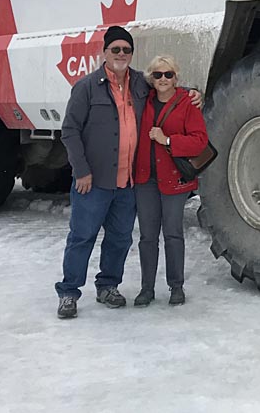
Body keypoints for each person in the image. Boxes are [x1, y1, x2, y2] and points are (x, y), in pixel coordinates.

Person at [54, 26, 201, 319]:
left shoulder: (140, 83)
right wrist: (81, 171)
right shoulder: (86, 87)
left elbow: (166, 87)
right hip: (93, 180)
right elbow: (69, 131)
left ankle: (108, 286)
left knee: (120, 238)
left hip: (128, 182)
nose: (121, 54)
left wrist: (193, 93)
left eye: (126, 50)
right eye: (115, 49)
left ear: (132, 54)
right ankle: (69, 292)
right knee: (82, 236)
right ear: (105, 52)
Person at [132, 54, 208, 307]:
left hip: (174, 180)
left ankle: (176, 286)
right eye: (157, 74)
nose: (163, 79)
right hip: (145, 179)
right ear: (151, 79)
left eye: (168, 74)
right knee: (147, 236)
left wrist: (167, 140)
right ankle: (147, 288)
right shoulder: (143, 101)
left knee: (173, 234)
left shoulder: (187, 103)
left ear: (176, 77)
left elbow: (199, 141)